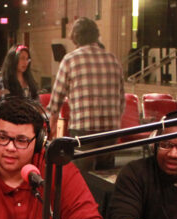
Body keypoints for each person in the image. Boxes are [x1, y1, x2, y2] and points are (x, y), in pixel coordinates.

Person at [46, 17, 124, 171]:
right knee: (106, 177)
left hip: (84, 128)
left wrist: (51, 129)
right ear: (96, 35)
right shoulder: (113, 59)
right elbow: (121, 101)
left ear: (75, 37)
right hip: (111, 129)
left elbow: (56, 101)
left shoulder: (70, 60)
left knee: (80, 176)